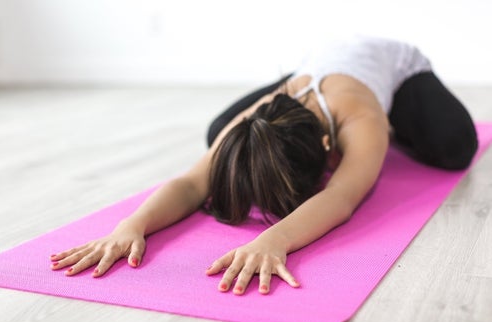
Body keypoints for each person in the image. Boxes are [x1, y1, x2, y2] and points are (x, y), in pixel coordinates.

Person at [49, 36, 478, 295]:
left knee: (456, 147)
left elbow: (342, 197)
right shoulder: (261, 113)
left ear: (330, 149)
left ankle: (402, 125)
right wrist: (131, 225)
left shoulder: (362, 120)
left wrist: (274, 240)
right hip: (313, 70)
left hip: (394, 69)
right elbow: (191, 183)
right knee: (222, 134)